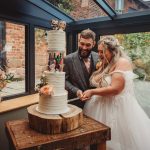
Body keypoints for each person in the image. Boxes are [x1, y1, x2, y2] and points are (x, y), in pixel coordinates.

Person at [81, 36, 150, 150]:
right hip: (100, 107)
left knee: (114, 141)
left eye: (102, 51)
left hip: (117, 109)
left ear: (112, 50)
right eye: (98, 51)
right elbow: (99, 81)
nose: (99, 54)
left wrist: (92, 91)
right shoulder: (107, 63)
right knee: (99, 141)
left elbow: (116, 89)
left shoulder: (122, 62)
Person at [63, 29, 99, 108]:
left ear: (94, 44)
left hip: (95, 103)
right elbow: (64, 80)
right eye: (82, 43)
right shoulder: (68, 59)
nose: (84, 47)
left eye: (88, 45)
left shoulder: (98, 57)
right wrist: (76, 91)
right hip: (76, 103)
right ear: (79, 41)